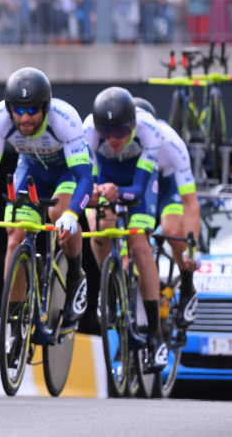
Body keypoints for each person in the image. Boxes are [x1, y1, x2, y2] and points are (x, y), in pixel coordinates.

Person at [0, 67, 93, 328]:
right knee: (14, 238)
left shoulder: (65, 119)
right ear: (9, 108)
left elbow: (85, 177)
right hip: (30, 172)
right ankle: (15, 317)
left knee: (58, 213)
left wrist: (73, 213)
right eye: (18, 110)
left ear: (45, 108)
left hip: (65, 174)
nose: (24, 118)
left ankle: (74, 276)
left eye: (31, 111)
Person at [83, 87, 167, 370]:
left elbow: (141, 191)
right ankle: (108, 286)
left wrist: (119, 192)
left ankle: (155, 334)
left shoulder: (149, 130)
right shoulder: (88, 131)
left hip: (135, 181)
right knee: (98, 226)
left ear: (133, 125)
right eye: (106, 132)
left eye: (120, 131)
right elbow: (87, 180)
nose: (114, 139)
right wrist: (92, 193)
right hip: (107, 176)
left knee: (140, 245)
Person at [133, 97, 200, 327]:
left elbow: (191, 203)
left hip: (168, 187)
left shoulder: (171, 142)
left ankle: (188, 286)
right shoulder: (123, 138)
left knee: (172, 229)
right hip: (140, 184)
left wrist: (192, 247)